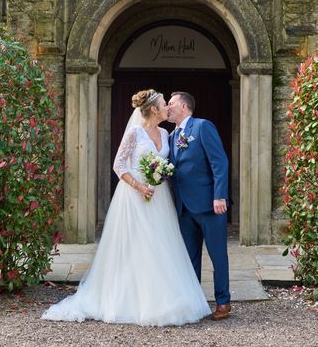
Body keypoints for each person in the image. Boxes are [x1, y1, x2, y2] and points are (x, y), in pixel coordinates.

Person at [41, 89, 211, 326]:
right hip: (134, 197)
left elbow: (168, 163)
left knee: (161, 245)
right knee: (136, 246)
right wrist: (141, 186)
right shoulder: (134, 133)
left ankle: (163, 298)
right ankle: (132, 301)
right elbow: (119, 166)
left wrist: (162, 176)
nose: (167, 108)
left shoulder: (165, 133)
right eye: (164, 104)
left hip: (159, 197)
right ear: (153, 109)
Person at [166, 91, 232, 321]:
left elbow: (219, 161)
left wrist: (220, 196)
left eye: (171, 103)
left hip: (210, 206)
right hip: (184, 207)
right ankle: (194, 304)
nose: (167, 107)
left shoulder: (202, 127)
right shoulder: (172, 136)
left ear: (184, 106)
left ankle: (223, 301)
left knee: (217, 256)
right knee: (190, 259)